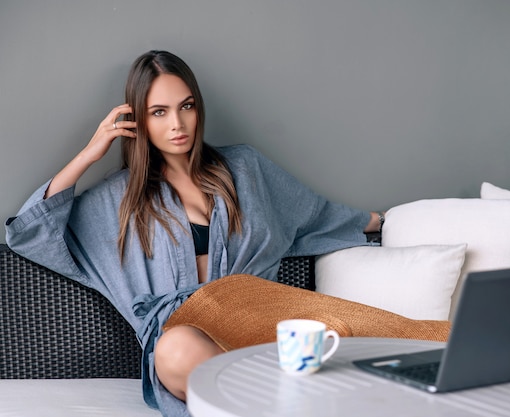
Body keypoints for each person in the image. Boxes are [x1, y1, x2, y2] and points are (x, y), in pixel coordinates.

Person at [5, 50, 385, 416]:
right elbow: (31, 233)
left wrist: (386, 221)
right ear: (137, 120)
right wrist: (89, 154)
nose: (177, 124)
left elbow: (316, 213)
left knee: (357, 340)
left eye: (186, 106)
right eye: (159, 112)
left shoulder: (244, 168)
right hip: (186, 346)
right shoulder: (117, 200)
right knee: (175, 347)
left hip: (257, 327)